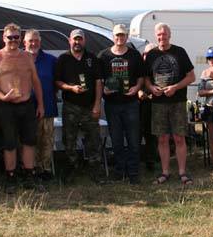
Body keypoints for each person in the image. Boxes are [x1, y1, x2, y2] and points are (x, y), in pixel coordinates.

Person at [0, 23, 44, 189]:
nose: (13, 40)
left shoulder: (27, 57)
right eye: (10, 37)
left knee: (29, 141)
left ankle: (29, 174)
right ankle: (10, 176)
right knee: (9, 142)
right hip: (7, 106)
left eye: (16, 37)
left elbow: (36, 81)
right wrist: (2, 97)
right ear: (4, 38)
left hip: (27, 105)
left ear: (20, 38)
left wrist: (40, 104)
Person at [145, 22, 195, 185]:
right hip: (158, 103)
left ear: (169, 35)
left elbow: (191, 77)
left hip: (177, 101)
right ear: (156, 36)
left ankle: (182, 172)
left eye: (164, 34)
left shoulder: (180, 52)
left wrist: (175, 87)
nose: (162, 37)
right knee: (162, 139)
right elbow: (146, 78)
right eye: (159, 35)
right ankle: (165, 172)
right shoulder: (151, 54)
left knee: (179, 138)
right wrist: (151, 88)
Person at [54, 28, 103, 181]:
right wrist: (71, 88)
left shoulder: (92, 58)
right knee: (69, 140)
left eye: (80, 39)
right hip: (71, 106)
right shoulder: (63, 59)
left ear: (84, 41)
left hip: (90, 106)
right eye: (74, 39)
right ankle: (72, 167)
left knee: (93, 139)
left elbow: (99, 82)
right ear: (70, 40)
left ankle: (95, 169)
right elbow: (57, 82)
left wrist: (97, 105)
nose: (77, 42)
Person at [98, 24, 145, 184]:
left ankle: (133, 172)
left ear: (127, 37)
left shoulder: (134, 55)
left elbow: (141, 77)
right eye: (117, 35)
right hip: (112, 104)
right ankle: (119, 171)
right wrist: (104, 90)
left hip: (131, 103)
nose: (120, 38)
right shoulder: (103, 56)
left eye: (122, 35)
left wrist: (136, 88)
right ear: (113, 36)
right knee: (116, 140)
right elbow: (99, 79)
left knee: (133, 140)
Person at [24, 29, 58, 181]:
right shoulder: (19, 59)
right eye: (30, 40)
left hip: (48, 107)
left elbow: (57, 82)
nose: (33, 43)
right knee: (30, 140)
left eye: (36, 40)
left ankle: (45, 170)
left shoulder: (51, 60)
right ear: (24, 42)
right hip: (25, 109)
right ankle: (31, 169)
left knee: (47, 140)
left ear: (40, 42)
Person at [138, 43, 158, 171]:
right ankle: (136, 162)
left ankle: (151, 162)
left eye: (151, 54)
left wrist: (151, 94)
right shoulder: (138, 65)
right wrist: (139, 91)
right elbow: (132, 82)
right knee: (136, 133)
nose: (148, 56)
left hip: (153, 105)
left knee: (151, 134)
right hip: (137, 105)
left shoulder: (158, 68)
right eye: (146, 53)